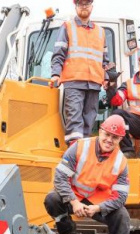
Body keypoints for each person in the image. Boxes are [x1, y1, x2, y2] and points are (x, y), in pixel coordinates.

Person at [44, 115, 131, 234]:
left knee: (122, 217)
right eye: (107, 135)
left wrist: (98, 208)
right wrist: (73, 201)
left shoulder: (121, 162)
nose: (109, 140)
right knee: (52, 199)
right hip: (74, 196)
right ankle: (66, 227)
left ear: (120, 139)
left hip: (98, 202)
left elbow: (121, 197)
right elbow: (60, 177)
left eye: (114, 137)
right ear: (100, 131)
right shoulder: (80, 147)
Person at [50, 0, 111, 145]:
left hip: (94, 83)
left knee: (89, 119)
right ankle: (75, 150)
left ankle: (84, 149)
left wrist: (106, 77)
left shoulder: (100, 32)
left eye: (87, 3)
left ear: (92, 7)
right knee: (74, 117)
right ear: (75, 6)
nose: (84, 6)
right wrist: (55, 74)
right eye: (80, 4)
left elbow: (105, 60)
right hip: (74, 81)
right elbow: (59, 53)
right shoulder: (67, 27)